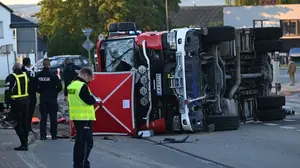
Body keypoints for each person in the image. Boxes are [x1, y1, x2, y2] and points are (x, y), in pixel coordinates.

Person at [67, 67, 101, 168]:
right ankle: (82, 164)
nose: (90, 81)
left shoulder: (71, 85)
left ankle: (77, 164)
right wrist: (95, 100)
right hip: (85, 117)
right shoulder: (82, 86)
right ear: (86, 75)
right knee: (87, 143)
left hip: (76, 117)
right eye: (90, 78)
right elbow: (89, 100)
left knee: (79, 142)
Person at [3, 63, 30, 151]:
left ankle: (24, 143)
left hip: (16, 103)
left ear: (13, 69)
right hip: (26, 101)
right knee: (25, 122)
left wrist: (6, 105)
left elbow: (7, 92)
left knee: (16, 122)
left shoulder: (11, 77)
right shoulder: (26, 75)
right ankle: (25, 140)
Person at [35, 58, 62, 140]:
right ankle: (54, 135)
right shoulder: (53, 75)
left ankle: (43, 135)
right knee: (53, 118)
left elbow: (34, 86)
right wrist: (54, 92)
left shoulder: (39, 75)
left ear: (43, 65)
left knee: (43, 117)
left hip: (43, 98)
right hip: (52, 99)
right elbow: (60, 87)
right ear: (49, 65)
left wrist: (40, 92)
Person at [22, 57, 36, 133]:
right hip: (31, 94)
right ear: (29, 63)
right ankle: (28, 127)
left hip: (24, 95)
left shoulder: (21, 71)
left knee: (25, 113)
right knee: (29, 112)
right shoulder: (31, 72)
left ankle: (26, 127)